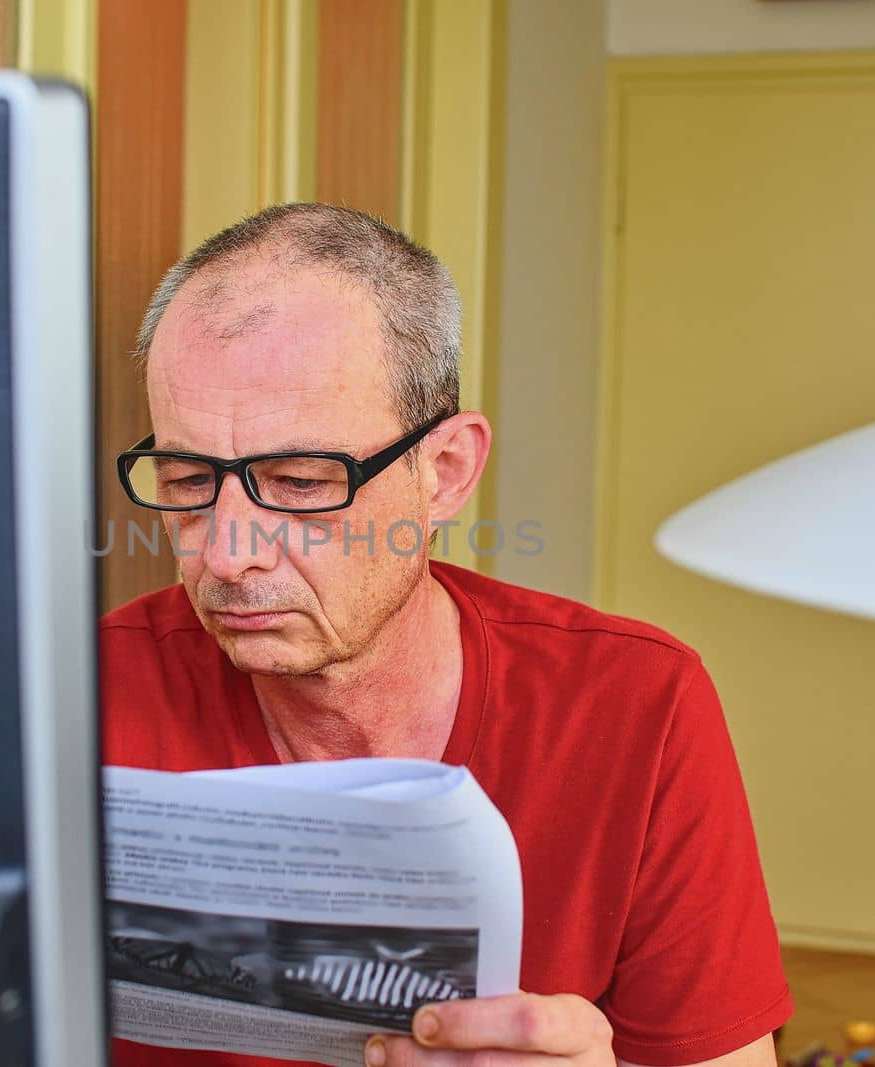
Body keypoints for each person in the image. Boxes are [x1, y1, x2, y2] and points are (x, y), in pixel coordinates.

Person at [100, 203, 791, 1067]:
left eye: (303, 481)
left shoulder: (637, 706)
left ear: (446, 472)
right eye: (187, 477)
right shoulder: (71, 697)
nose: (229, 552)